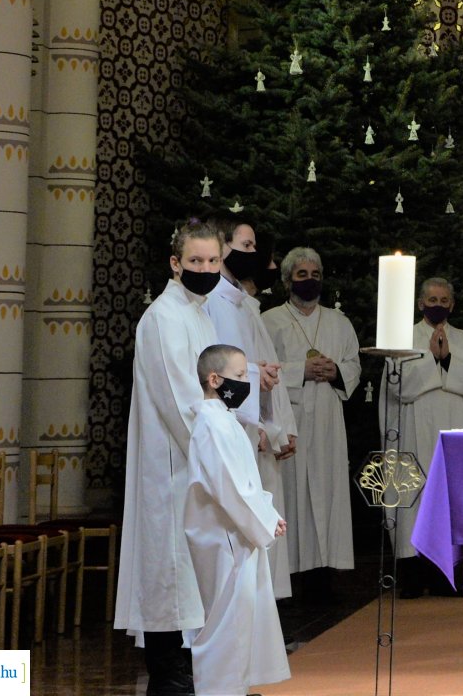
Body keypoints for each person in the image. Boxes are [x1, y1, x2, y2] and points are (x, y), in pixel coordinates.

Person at [116, 217, 222, 695]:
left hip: (197, 463)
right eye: (196, 260)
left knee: (192, 571)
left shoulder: (200, 311)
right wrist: (214, 455)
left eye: (213, 260)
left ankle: (194, 669)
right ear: (175, 263)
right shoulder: (162, 316)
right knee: (168, 569)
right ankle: (169, 676)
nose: (205, 268)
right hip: (174, 466)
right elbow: (180, 400)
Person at [186, 344, 291, 695]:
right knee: (225, 621)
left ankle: (236, 687)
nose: (246, 383)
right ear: (214, 379)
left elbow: (247, 481)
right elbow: (228, 485)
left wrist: (267, 513)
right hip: (224, 536)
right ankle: (219, 690)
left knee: (241, 616)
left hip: (237, 532)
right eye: (240, 376)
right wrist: (262, 519)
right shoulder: (211, 424)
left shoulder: (224, 421)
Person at [203, 219, 296, 600]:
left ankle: (262, 602)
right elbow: (217, 369)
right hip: (238, 424)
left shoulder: (242, 304)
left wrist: (273, 423)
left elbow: (250, 362)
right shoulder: (214, 302)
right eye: (245, 244)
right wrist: (256, 382)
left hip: (254, 422)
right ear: (223, 249)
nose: (253, 254)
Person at [260, 247, 361, 583]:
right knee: (290, 491)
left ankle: (325, 570)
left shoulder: (339, 321)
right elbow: (260, 367)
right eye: (302, 275)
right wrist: (300, 370)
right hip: (289, 418)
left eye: (315, 275)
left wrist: (335, 370)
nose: (309, 281)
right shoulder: (270, 320)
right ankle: (287, 574)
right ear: (289, 280)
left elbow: (353, 365)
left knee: (328, 489)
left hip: (329, 421)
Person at [388, 277, 463, 587]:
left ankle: (449, 574)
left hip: (454, 431)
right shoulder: (403, 338)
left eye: (444, 300)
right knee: (415, 494)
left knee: (450, 496)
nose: (437, 305)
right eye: (431, 300)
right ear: (420, 303)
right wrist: (432, 359)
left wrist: (447, 359)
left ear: (452, 304)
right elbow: (399, 387)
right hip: (415, 429)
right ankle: (412, 575)